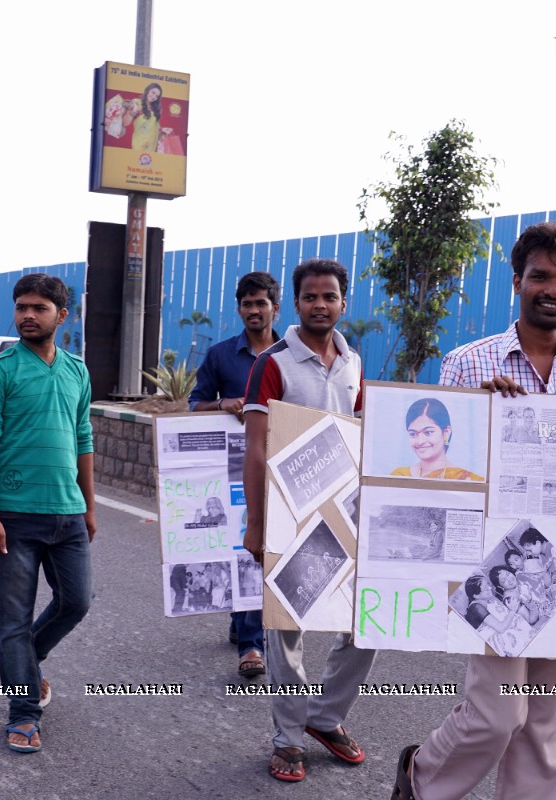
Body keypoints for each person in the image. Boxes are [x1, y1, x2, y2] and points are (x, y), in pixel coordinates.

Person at [391, 219, 556, 800]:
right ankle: (423, 776)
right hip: (496, 560)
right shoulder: (468, 363)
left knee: (546, 721)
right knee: (497, 713)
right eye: (541, 275)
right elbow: (436, 466)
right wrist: (476, 415)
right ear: (517, 280)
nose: (554, 289)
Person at [242, 258, 374, 783]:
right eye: (311, 296)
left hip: (346, 516)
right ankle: (289, 738)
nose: (321, 304)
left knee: (366, 624)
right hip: (289, 518)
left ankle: (326, 718)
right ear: (295, 304)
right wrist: (256, 524)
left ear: (344, 303)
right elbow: (255, 449)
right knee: (286, 632)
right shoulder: (273, 362)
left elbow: (362, 438)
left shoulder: (354, 363)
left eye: (330, 296)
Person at [0, 273, 95, 754]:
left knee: (76, 603)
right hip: (14, 520)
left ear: (61, 316)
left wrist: (89, 505)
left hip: (68, 515)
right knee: (13, 623)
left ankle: (26, 662)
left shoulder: (77, 371)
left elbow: (83, 437)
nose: (27, 315)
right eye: (21, 307)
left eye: (39, 308)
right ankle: (22, 714)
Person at [190, 271, 281, 679]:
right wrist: (225, 404)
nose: (254, 310)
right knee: (247, 547)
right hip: (230, 467)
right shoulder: (221, 355)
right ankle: (250, 642)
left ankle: (245, 630)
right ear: (239, 308)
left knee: (264, 550)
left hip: (281, 465)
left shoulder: (289, 355)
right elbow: (195, 405)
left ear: (275, 308)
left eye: (261, 303)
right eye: (247, 303)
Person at [391, 398, 483, 481]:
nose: (420, 441)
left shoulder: (468, 480)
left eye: (428, 432)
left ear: (446, 432)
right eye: (413, 434)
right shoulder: (399, 476)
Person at [125, 82, 171, 152]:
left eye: (156, 96)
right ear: (148, 90)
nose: (153, 97)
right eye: (153, 92)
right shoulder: (136, 102)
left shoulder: (155, 109)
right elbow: (125, 123)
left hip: (152, 145)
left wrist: (163, 130)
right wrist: (132, 113)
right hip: (139, 143)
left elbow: (155, 128)